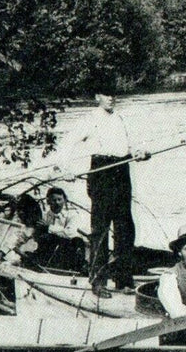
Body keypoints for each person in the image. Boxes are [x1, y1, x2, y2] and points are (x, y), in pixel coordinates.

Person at [64, 91, 150, 298]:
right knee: (100, 231)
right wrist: (65, 169)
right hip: (101, 171)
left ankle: (123, 280)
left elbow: (135, 145)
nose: (111, 98)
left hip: (122, 171)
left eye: (113, 94)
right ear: (97, 97)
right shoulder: (89, 119)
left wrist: (141, 153)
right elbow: (67, 144)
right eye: (106, 94)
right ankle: (98, 282)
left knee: (125, 228)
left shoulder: (121, 119)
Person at [33, 187, 88, 271]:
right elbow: (28, 232)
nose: (57, 203)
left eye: (59, 199)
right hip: (48, 252)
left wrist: (49, 227)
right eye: (54, 200)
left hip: (65, 252)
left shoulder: (72, 215)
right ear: (48, 201)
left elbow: (69, 233)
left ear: (64, 200)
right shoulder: (44, 217)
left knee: (76, 240)